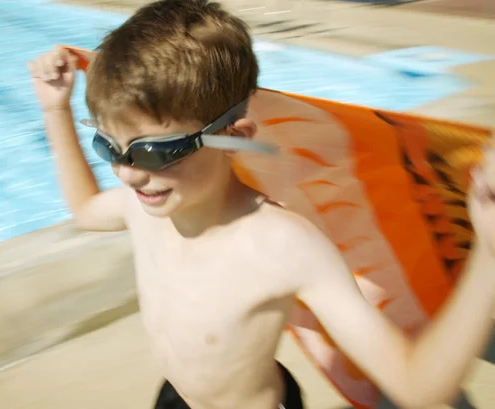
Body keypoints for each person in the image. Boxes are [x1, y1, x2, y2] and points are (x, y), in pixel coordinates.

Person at [27, 1, 495, 408]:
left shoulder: (280, 245)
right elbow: (86, 210)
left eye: (156, 150)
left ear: (235, 137)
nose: (128, 171)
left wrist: (489, 253)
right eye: (109, 147)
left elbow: (416, 387)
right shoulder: (144, 206)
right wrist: (55, 109)